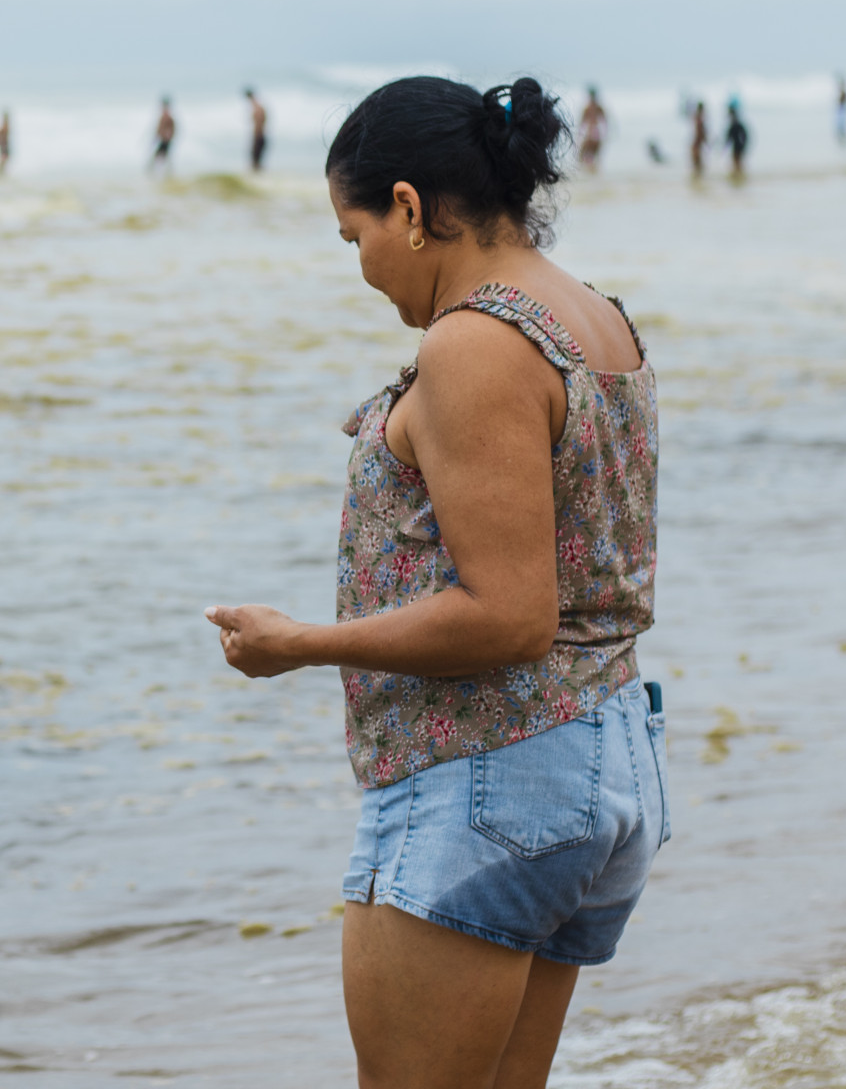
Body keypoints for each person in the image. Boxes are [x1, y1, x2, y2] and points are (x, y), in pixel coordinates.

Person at [204, 75, 666, 1089]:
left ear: (410, 208)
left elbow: (509, 614)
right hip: (600, 757)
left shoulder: (474, 343)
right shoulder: (594, 316)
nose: (360, 265)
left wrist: (299, 644)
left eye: (352, 233)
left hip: (489, 775)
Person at [577, 86, 608, 172]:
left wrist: (579, 136)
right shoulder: (599, 107)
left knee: (582, 155)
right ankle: (595, 173)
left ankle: (585, 173)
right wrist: (605, 134)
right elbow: (605, 122)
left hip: (590, 133)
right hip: (597, 134)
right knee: (596, 156)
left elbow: (582, 123)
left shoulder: (587, 108)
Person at [148, 96, 177, 175]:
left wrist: (168, 136)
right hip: (163, 140)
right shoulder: (164, 116)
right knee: (163, 159)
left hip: (165, 141)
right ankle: (168, 174)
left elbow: (171, 129)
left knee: (158, 158)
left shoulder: (167, 117)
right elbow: (159, 129)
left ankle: (165, 174)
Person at [724, 98, 750, 179]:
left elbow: (730, 136)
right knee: (738, 163)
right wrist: (743, 144)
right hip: (738, 146)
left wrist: (743, 144)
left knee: (737, 163)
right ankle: (740, 176)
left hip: (737, 146)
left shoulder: (735, 123)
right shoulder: (736, 123)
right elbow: (745, 134)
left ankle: (738, 177)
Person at [244, 87, 269, 172]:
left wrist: (257, 135)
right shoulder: (259, 106)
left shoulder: (257, 107)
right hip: (260, 134)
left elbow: (260, 121)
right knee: (256, 159)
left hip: (259, 135)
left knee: (255, 160)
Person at [689, 99, 708, 178]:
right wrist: (706, 141)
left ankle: (696, 185)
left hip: (695, 145)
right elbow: (700, 133)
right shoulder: (699, 119)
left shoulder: (697, 118)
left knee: (697, 168)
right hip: (696, 146)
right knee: (698, 168)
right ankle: (697, 185)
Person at [835, 76, 846, 145]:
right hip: (842, 108)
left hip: (842, 108)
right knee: (841, 122)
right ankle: (842, 133)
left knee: (842, 122)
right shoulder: (843, 92)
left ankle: (842, 133)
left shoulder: (844, 93)